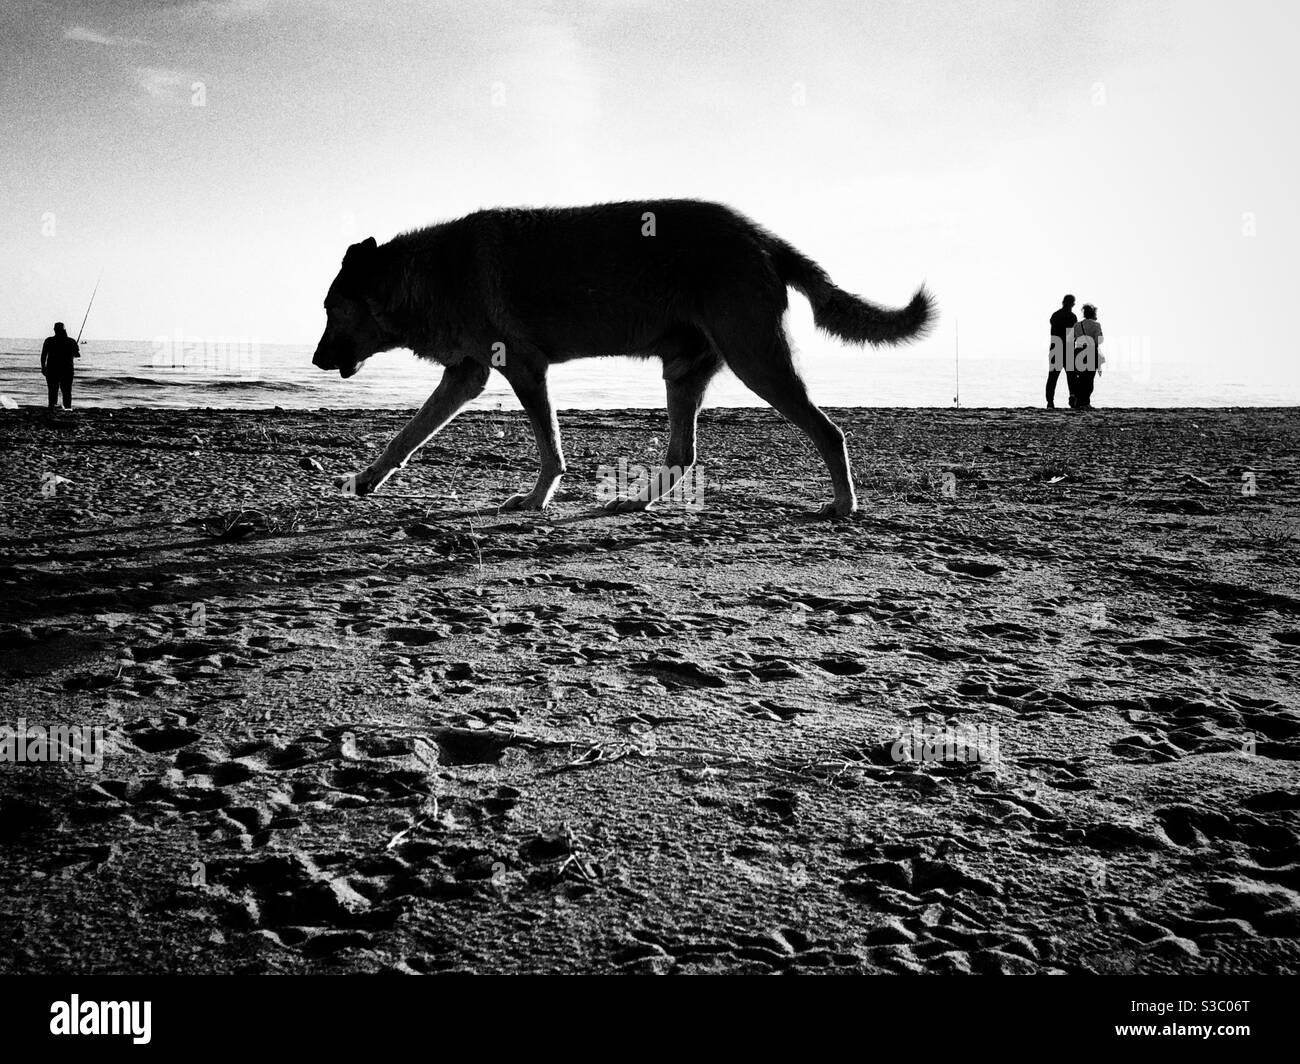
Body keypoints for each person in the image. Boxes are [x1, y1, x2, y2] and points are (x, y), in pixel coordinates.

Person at [40, 321, 80, 412]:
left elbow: (43, 356)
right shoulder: (71, 341)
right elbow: (77, 355)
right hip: (67, 370)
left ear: (54, 330)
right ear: (64, 330)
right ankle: (67, 409)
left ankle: (52, 409)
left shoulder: (49, 340)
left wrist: (43, 368)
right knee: (67, 391)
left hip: (52, 370)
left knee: (52, 391)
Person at [1046, 294, 1077, 408]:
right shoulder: (1072, 317)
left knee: (1052, 377)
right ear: (1072, 304)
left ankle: (1050, 401)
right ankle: (1072, 397)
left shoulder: (1055, 315)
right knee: (1071, 377)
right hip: (1068, 349)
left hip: (1056, 348)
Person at [1071, 303, 1103, 409]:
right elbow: (1100, 339)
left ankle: (1078, 400)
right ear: (1093, 313)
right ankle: (1085, 402)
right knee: (1089, 379)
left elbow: (1071, 339)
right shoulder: (1096, 325)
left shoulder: (1077, 325)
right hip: (1090, 352)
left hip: (1078, 351)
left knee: (1079, 378)